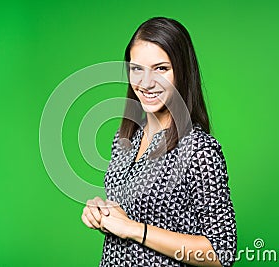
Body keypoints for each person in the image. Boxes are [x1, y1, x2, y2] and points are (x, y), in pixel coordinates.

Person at [81, 17, 237, 267]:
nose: (146, 82)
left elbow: (221, 253)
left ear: (182, 72)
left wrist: (134, 229)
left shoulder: (199, 149)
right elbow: (133, 215)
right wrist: (105, 214)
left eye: (161, 69)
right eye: (137, 68)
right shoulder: (124, 139)